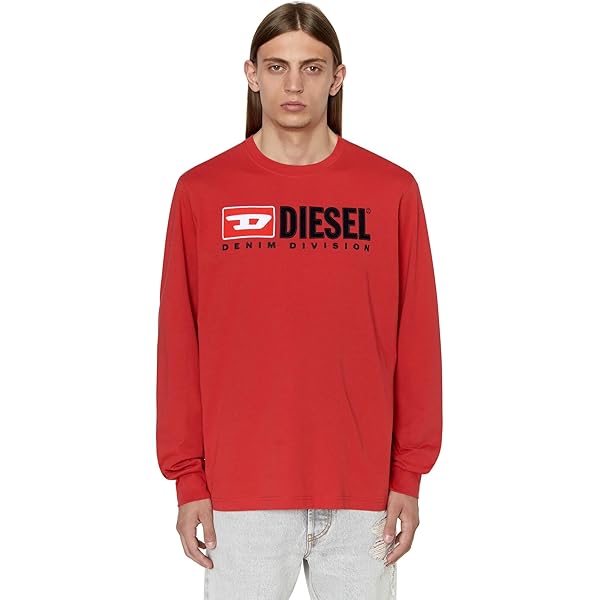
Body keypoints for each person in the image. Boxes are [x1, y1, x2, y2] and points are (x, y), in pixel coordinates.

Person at [155, 3, 443, 598]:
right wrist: (189, 479)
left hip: (363, 497)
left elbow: (416, 337)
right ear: (251, 74)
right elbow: (179, 343)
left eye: (311, 68)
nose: (293, 84)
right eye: (277, 66)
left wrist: (408, 475)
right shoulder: (203, 192)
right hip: (240, 498)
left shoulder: (390, 191)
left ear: (337, 78)